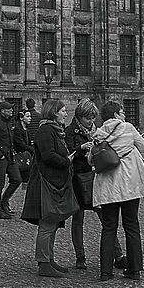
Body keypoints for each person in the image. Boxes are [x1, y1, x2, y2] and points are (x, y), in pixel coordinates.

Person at [86, 98, 144, 280]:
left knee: (109, 227)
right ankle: (134, 270)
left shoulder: (98, 134)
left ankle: (105, 272)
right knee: (132, 226)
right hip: (129, 185)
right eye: (122, 112)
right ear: (117, 114)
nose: (124, 115)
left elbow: (90, 159)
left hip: (108, 186)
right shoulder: (128, 128)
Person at [20, 99, 80, 276]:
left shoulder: (54, 130)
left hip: (55, 182)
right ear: (54, 112)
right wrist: (66, 161)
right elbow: (48, 156)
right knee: (47, 224)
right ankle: (43, 262)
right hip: (46, 183)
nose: (65, 114)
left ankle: (49, 259)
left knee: (52, 223)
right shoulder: (46, 131)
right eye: (62, 111)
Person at [63, 100, 98, 271]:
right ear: (79, 117)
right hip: (77, 179)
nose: (91, 121)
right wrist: (80, 148)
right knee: (78, 219)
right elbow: (66, 153)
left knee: (106, 217)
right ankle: (80, 256)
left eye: (92, 118)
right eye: (88, 118)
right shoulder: (69, 131)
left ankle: (117, 254)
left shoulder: (96, 131)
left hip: (95, 177)